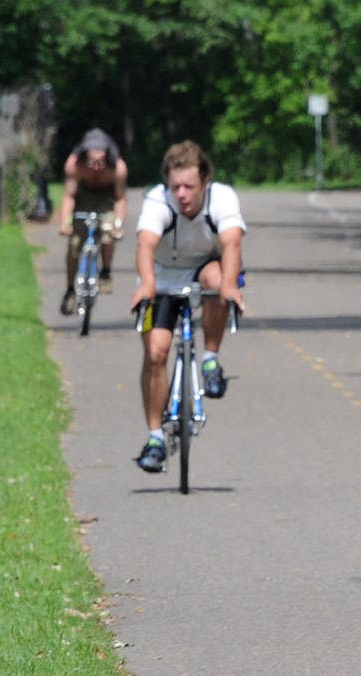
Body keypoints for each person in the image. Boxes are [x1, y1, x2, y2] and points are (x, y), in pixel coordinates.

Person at [127, 141, 246, 473]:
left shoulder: (221, 198)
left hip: (203, 268)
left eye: (189, 187)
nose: (181, 194)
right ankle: (155, 439)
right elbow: (145, 244)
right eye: (175, 186)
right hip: (162, 277)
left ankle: (210, 359)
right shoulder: (157, 200)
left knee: (217, 281)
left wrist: (230, 286)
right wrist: (147, 284)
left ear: (205, 181)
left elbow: (232, 242)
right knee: (155, 353)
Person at [54, 128, 128, 315]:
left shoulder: (118, 169)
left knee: (108, 234)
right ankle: (70, 290)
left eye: (101, 163)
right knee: (74, 245)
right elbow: (69, 196)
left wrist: (118, 225)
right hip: (82, 201)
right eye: (92, 163)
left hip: (106, 202)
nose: (96, 167)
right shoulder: (74, 165)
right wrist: (65, 223)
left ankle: (106, 272)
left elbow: (120, 198)